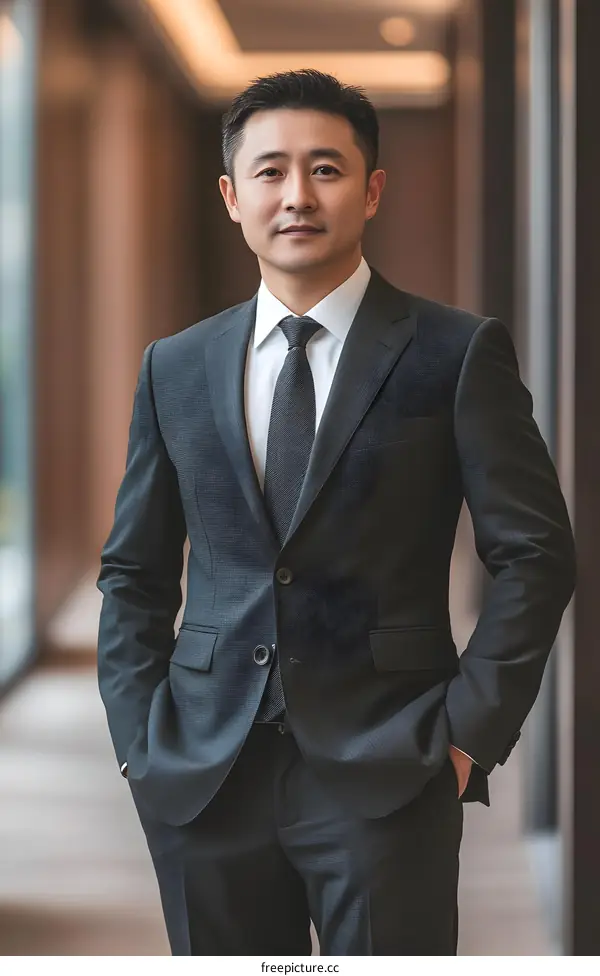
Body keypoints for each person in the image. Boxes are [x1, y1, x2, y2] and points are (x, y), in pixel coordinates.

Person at [96, 68, 576, 956]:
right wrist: (138, 738)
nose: (298, 195)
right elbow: (134, 568)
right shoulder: (176, 365)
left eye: (326, 168)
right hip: (204, 771)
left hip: (393, 766)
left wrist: (465, 740)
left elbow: (536, 555)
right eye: (271, 172)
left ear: (372, 189)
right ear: (233, 197)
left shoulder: (458, 352)